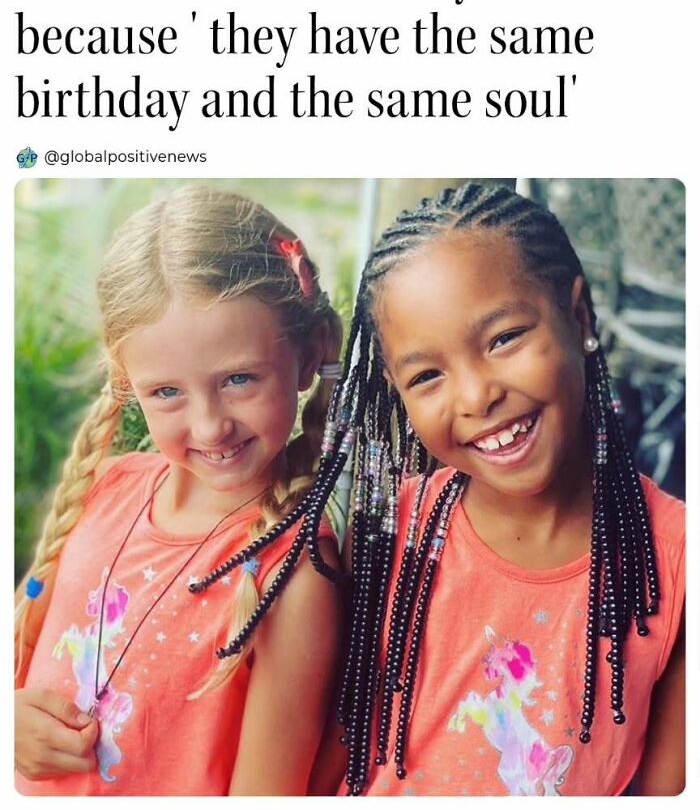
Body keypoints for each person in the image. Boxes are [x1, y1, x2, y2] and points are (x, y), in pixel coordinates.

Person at [301, 184, 686, 796]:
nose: (477, 396)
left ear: (578, 316)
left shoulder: (676, 563)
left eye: (504, 339)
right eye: (427, 375)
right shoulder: (385, 538)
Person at [14, 185, 345, 796]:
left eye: (239, 379)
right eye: (167, 392)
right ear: (127, 382)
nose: (209, 425)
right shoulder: (104, 491)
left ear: (308, 355)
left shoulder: (294, 571)